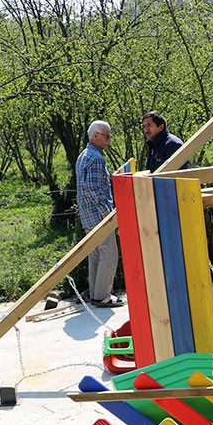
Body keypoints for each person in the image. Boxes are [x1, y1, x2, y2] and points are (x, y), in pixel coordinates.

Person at [75, 120, 123, 308]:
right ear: (96, 136)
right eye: (107, 136)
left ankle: (96, 293)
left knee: (95, 255)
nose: (109, 140)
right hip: (98, 216)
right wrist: (106, 213)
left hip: (87, 216)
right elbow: (93, 188)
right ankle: (102, 296)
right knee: (109, 254)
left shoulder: (84, 155)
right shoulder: (96, 158)